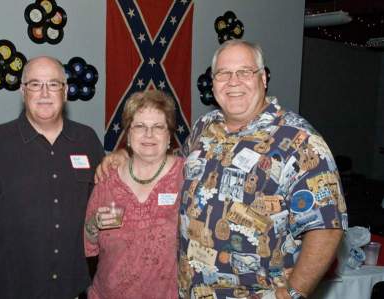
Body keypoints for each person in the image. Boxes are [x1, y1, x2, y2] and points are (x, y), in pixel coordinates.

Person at [96, 40, 347, 299]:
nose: (233, 81)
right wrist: (124, 155)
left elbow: (327, 227)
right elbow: (168, 167)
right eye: (223, 74)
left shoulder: (300, 140)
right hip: (190, 292)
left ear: (263, 78)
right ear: (213, 83)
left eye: (244, 72)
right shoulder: (204, 127)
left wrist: (294, 292)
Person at [0, 56, 104, 299]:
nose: (44, 93)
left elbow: (108, 196)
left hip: (71, 288)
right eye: (35, 84)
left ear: (66, 92)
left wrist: (119, 157)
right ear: (22, 91)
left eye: (53, 84)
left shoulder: (87, 140)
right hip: (7, 288)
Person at [84, 90, 184, 299]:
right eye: (140, 126)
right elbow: (89, 243)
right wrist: (94, 224)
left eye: (158, 127)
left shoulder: (187, 178)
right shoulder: (107, 179)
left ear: (169, 136)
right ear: (128, 135)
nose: (149, 134)